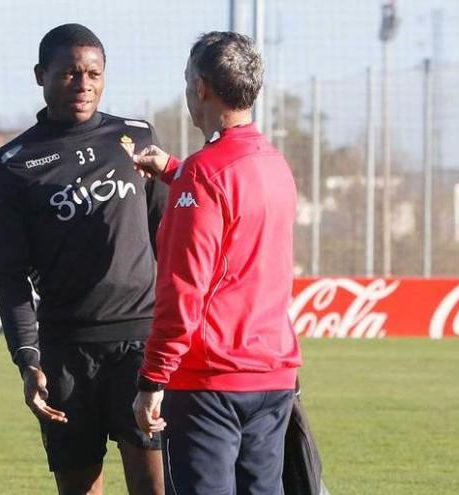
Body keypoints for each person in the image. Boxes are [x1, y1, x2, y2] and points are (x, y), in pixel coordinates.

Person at [0, 23, 168, 495]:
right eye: (69, 73)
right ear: (40, 75)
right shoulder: (11, 165)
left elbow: (166, 238)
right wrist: (28, 358)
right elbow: (9, 277)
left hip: (139, 345)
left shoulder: (135, 136)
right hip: (65, 352)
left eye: (93, 73)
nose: (83, 84)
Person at [131, 31, 302, 495]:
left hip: (210, 382)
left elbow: (183, 292)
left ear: (202, 87)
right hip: (272, 378)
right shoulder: (273, 163)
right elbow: (233, 198)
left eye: (187, 80)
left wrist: (152, 378)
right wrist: (174, 170)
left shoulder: (204, 175)